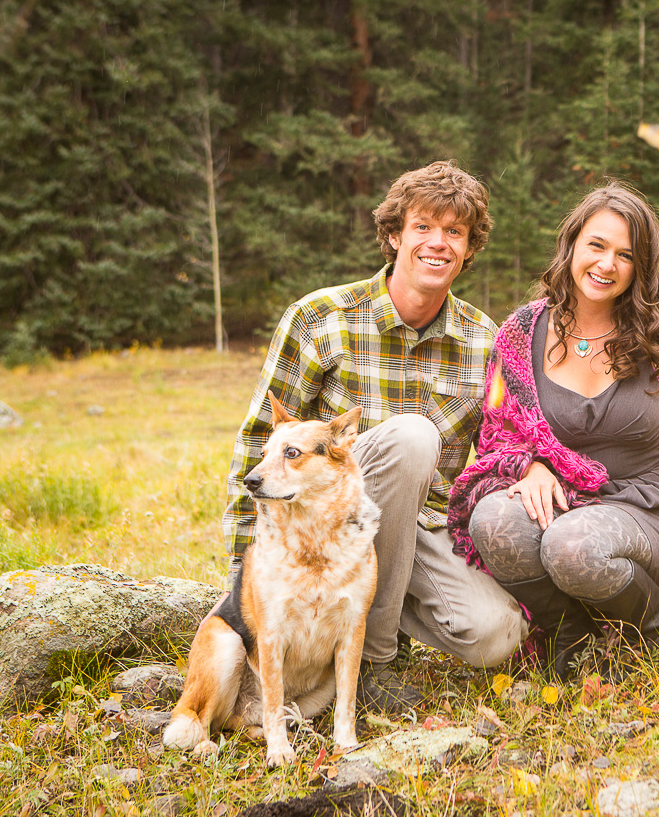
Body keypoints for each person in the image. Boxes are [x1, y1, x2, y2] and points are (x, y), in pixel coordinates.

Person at [223, 161, 528, 713]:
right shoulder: (321, 318)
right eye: (423, 227)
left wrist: (537, 468)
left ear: (469, 248)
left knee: (496, 635)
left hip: (424, 525)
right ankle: (375, 663)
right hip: (324, 525)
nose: (438, 243)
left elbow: (507, 443)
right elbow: (256, 447)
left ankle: (380, 613)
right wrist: (242, 583)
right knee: (412, 438)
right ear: (393, 235)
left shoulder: (486, 341)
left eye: (454, 232)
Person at [446, 182, 659, 681]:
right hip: (559, 498)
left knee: (571, 545)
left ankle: (656, 634)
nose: (607, 264)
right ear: (572, 244)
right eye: (597, 245)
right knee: (492, 522)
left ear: (641, 267)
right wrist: (531, 463)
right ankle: (573, 635)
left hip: (649, 507)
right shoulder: (520, 333)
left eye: (625, 255)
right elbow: (498, 434)